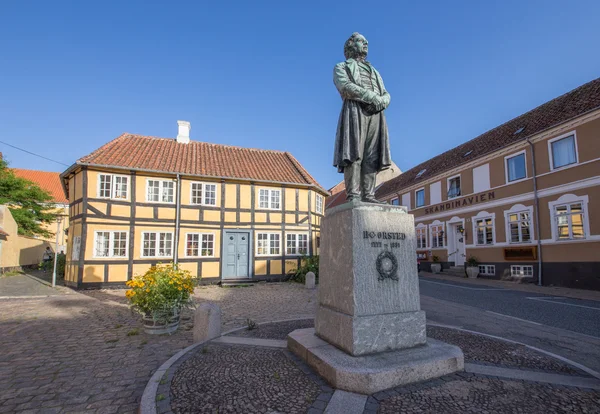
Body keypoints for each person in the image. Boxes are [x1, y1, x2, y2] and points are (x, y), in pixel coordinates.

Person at [333, 32, 392, 203]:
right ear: (350, 45)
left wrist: (383, 100)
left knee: (372, 155)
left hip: (376, 113)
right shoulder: (341, 67)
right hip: (355, 111)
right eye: (360, 41)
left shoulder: (375, 71)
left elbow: (386, 93)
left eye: (366, 42)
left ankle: (369, 195)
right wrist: (371, 97)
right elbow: (345, 87)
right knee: (354, 154)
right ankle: (353, 195)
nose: (365, 44)